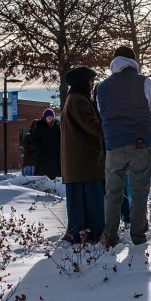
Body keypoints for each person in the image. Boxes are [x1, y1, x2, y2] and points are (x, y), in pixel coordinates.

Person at [96, 46, 151, 247]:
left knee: (112, 193)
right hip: (139, 145)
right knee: (139, 192)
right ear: (133, 62)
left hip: (113, 146)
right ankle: (138, 236)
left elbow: (102, 112)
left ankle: (109, 235)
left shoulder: (101, 87)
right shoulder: (143, 82)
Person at [59, 67, 105, 244]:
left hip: (80, 165)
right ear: (82, 82)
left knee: (81, 203)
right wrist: (110, 127)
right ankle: (91, 233)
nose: (92, 84)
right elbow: (93, 127)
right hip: (86, 164)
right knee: (93, 202)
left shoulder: (74, 99)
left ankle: (81, 233)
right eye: (90, 81)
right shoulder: (78, 101)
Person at [30, 108, 61, 180]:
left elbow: (60, 138)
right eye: (48, 116)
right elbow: (35, 139)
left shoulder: (56, 127)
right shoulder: (39, 126)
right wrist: (41, 148)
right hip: (42, 155)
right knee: (42, 175)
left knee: (55, 176)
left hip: (54, 155)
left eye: (51, 116)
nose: (49, 117)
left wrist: (58, 148)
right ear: (44, 117)